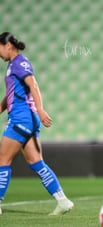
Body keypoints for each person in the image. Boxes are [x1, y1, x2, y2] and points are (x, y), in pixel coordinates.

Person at [0, 32, 74, 215]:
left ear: (8, 45)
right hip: (28, 120)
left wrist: (40, 109)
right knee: (36, 162)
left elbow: (33, 84)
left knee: (3, 159)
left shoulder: (19, 63)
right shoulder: (12, 66)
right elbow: (11, 93)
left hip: (21, 118)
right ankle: (62, 200)